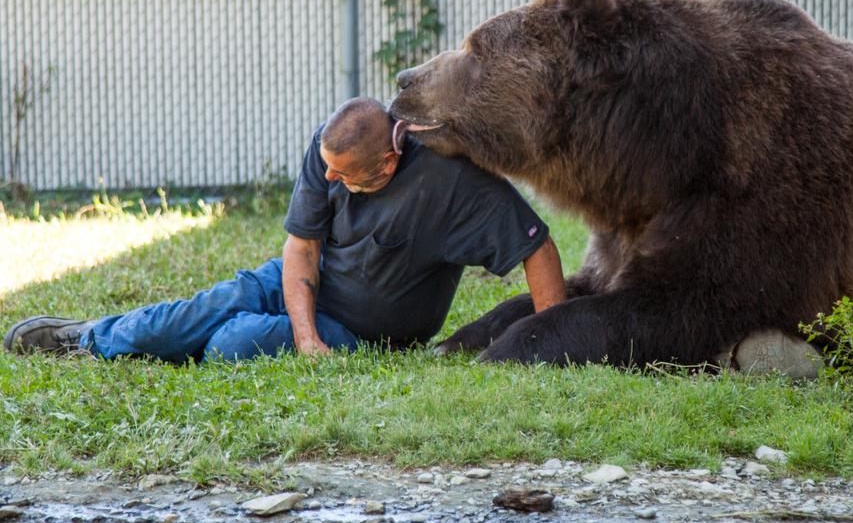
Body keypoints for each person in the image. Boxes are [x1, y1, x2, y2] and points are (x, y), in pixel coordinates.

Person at [3, 97, 567, 361]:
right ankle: (89, 339)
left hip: (365, 330)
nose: (327, 177)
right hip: (302, 282)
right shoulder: (331, 149)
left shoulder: (453, 185)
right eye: (326, 165)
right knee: (206, 308)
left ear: (387, 165)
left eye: (343, 176)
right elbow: (301, 247)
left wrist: (552, 341)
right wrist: (304, 338)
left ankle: (159, 342)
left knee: (230, 345)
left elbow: (537, 246)